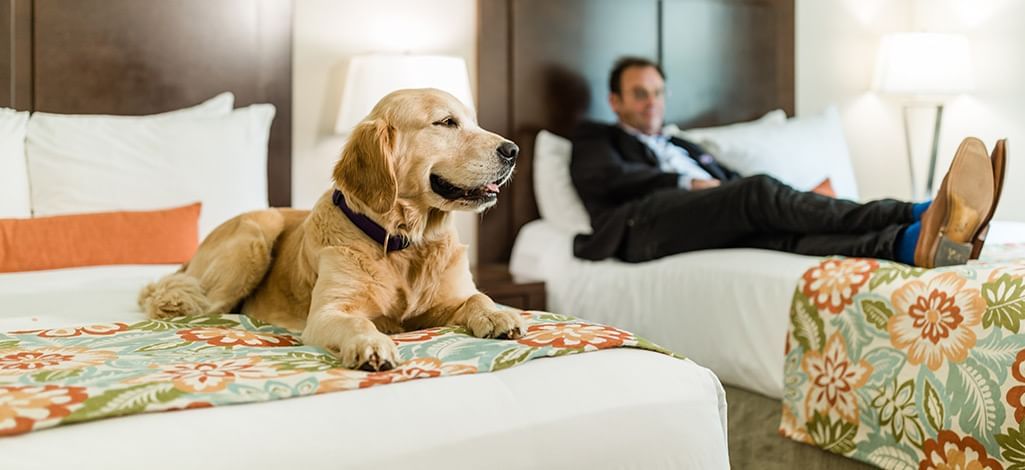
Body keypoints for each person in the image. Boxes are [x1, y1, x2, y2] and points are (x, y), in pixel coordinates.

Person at [569, 56, 1006, 267]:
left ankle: (910, 242)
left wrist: (796, 199)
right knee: (758, 192)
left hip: (707, 216)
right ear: (615, 101)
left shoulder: (684, 145)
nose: (652, 103)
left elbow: (733, 187)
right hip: (641, 228)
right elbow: (604, 178)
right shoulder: (596, 138)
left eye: (657, 92)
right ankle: (921, 210)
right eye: (640, 94)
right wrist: (689, 185)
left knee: (780, 234)